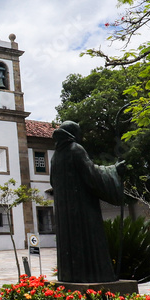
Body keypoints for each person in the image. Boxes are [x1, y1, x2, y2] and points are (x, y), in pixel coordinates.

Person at [49, 120, 125, 284]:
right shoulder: (76, 150)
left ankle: (70, 275)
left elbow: (53, 183)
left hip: (65, 215)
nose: (81, 136)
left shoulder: (55, 157)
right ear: (73, 134)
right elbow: (92, 175)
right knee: (90, 241)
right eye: (79, 133)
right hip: (83, 210)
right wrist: (114, 170)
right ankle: (96, 276)